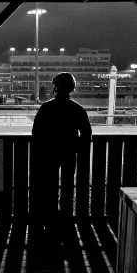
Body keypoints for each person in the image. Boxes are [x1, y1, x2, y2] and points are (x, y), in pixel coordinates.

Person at [31, 72, 92, 244]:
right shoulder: (78, 109)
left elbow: (36, 133)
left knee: (49, 187)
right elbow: (86, 134)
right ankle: (66, 218)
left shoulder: (46, 108)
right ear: (72, 87)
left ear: (56, 86)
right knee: (67, 187)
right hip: (68, 154)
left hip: (49, 155)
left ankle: (49, 220)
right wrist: (76, 147)